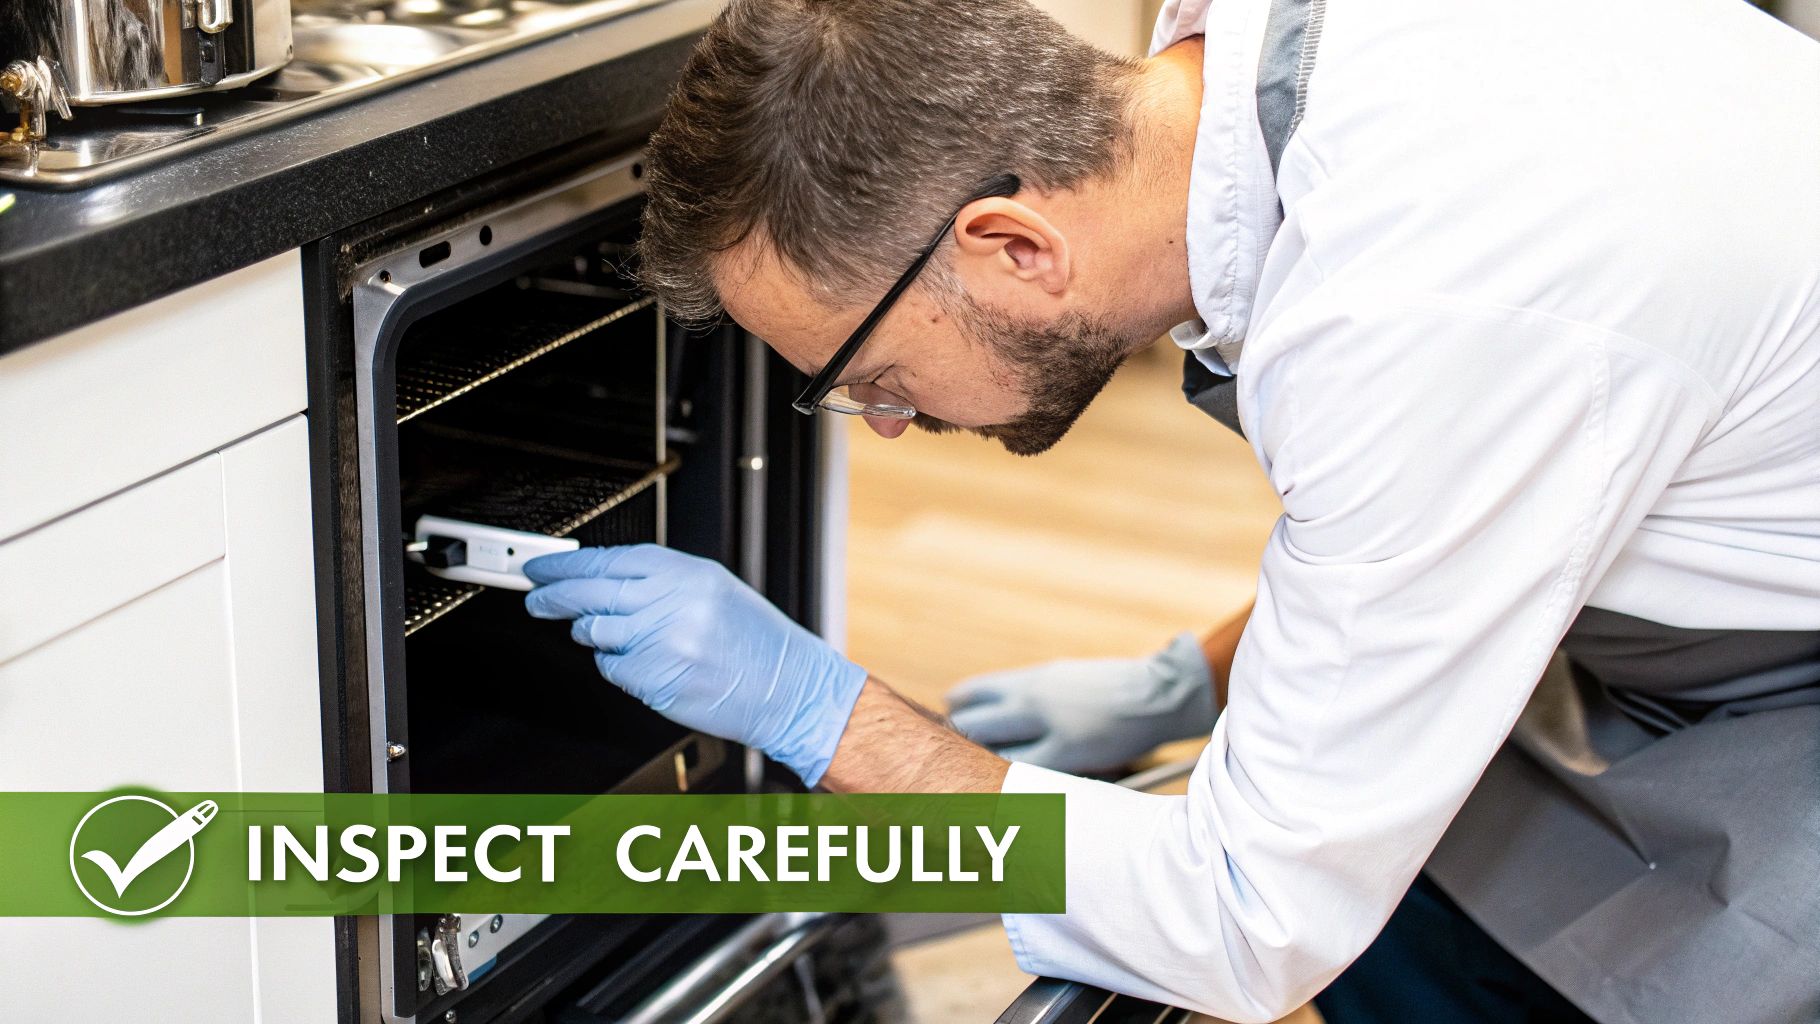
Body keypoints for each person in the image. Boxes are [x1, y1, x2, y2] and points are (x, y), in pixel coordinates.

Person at [518, 0, 1820, 1020]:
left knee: (1455, 944)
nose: (896, 423)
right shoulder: (1275, 76)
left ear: (1015, 247)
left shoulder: (1423, 312)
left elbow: (1250, 920)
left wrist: (831, 719)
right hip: (1699, 552)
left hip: (1783, 681)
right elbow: (1450, 520)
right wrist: (1187, 683)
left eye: (871, 377)